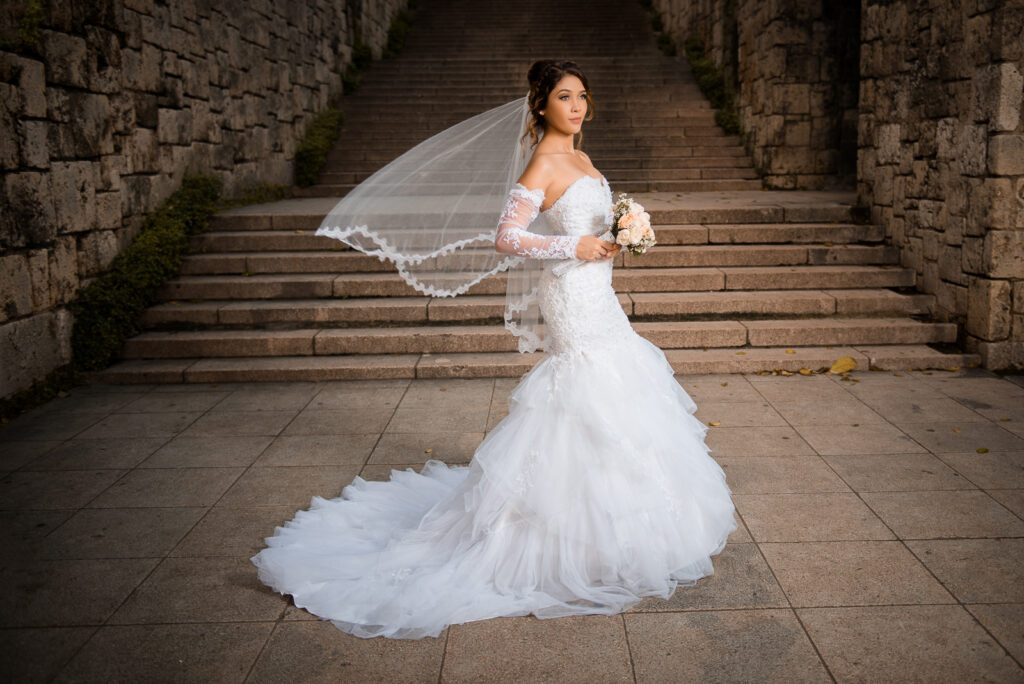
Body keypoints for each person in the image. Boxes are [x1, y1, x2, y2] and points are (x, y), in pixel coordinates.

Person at [251, 59, 737, 640]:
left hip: (600, 298)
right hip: (572, 301)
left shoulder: (581, 158)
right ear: (541, 107)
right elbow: (505, 236)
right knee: (586, 391)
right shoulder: (544, 162)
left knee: (622, 384)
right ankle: (557, 533)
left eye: (583, 95)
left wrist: (621, 232)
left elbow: (590, 223)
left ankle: (624, 523)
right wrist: (573, 245)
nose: (578, 106)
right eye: (564, 97)